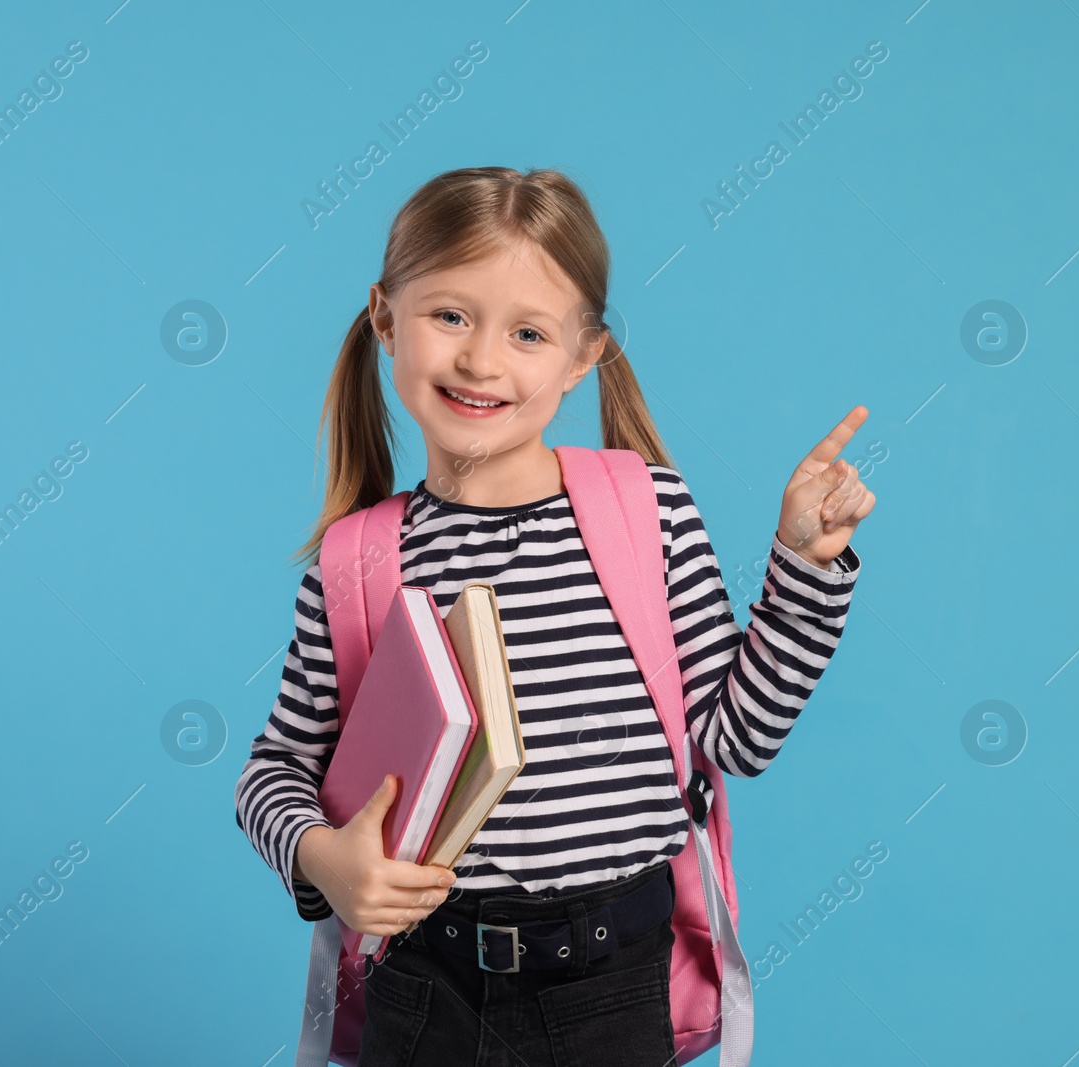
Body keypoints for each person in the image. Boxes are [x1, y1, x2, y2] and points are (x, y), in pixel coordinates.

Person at [232, 165, 875, 1064]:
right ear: (384, 317)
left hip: (609, 989)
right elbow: (274, 772)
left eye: (528, 332)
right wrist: (324, 859)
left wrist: (806, 566)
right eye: (449, 314)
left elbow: (736, 739)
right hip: (425, 986)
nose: (481, 359)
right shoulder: (358, 562)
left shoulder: (645, 513)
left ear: (583, 357)